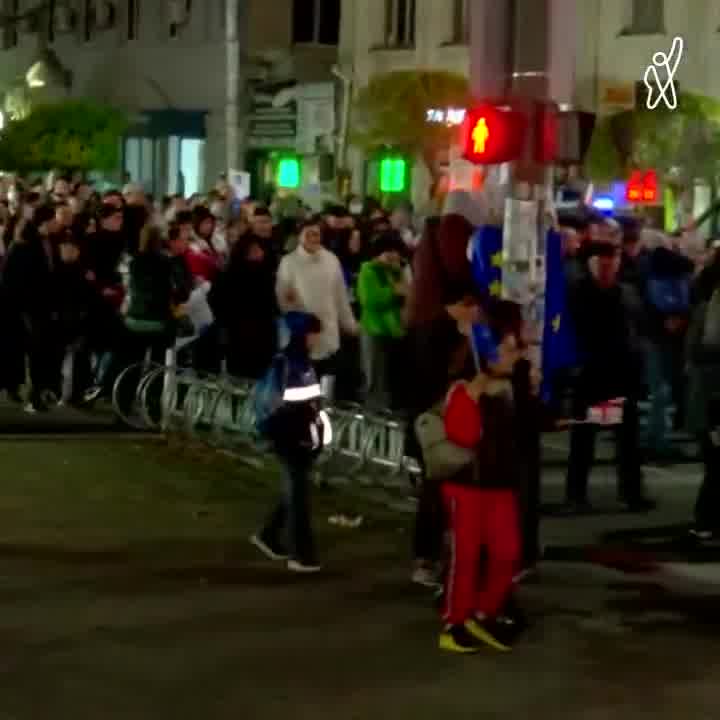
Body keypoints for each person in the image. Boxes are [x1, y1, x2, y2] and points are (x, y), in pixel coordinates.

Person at [439, 300, 534, 654]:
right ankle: (455, 621)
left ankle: (483, 612)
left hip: (500, 483)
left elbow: (526, 427)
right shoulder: (465, 388)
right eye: (510, 348)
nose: (515, 354)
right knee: (465, 556)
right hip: (468, 485)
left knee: (507, 553)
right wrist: (471, 398)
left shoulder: (512, 385)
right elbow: (462, 436)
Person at [565, 242, 655, 513]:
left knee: (627, 441)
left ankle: (631, 493)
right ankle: (576, 496)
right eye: (600, 262)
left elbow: (639, 330)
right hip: (591, 377)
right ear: (590, 264)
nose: (606, 267)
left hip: (621, 376)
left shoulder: (626, 293)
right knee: (584, 441)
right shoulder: (578, 293)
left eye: (611, 261)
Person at [251, 311, 329, 573]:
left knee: (295, 490)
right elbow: (297, 406)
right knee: (298, 494)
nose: (317, 338)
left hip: (290, 435)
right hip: (291, 436)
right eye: (313, 332)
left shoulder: (292, 361)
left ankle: (269, 535)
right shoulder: (295, 364)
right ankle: (301, 554)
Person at [276, 219, 358, 385]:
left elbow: (340, 296)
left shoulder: (331, 260)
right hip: (304, 336)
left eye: (317, 234)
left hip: (329, 331)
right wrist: (300, 324)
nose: (313, 238)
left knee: (328, 383)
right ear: (300, 237)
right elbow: (283, 300)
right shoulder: (289, 263)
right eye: (309, 234)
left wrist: (349, 324)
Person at [209, 234, 278, 379]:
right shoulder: (263, 276)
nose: (261, 253)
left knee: (239, 381)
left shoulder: (227, 274)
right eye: (256, 250)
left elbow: (214, 301)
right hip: (257, 338)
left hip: (238, 339)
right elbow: (273, 305)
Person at [356, 230, 408, 410]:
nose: (393, 255)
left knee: (389, 378)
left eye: (395, 251)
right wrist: (394, 291)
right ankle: (373, 412)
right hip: (373, 330)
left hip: (393, 331)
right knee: (373, 377)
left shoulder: (396, 271)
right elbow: (369, 300)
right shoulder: (367, 271)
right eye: (388, 251)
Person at [685, 283, 720, 539]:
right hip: (712, 404)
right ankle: (705, 521)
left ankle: (706, 520)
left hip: (707, 402)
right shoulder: (708, 314)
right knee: (716, 465)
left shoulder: (703, 312)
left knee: (715, 465)